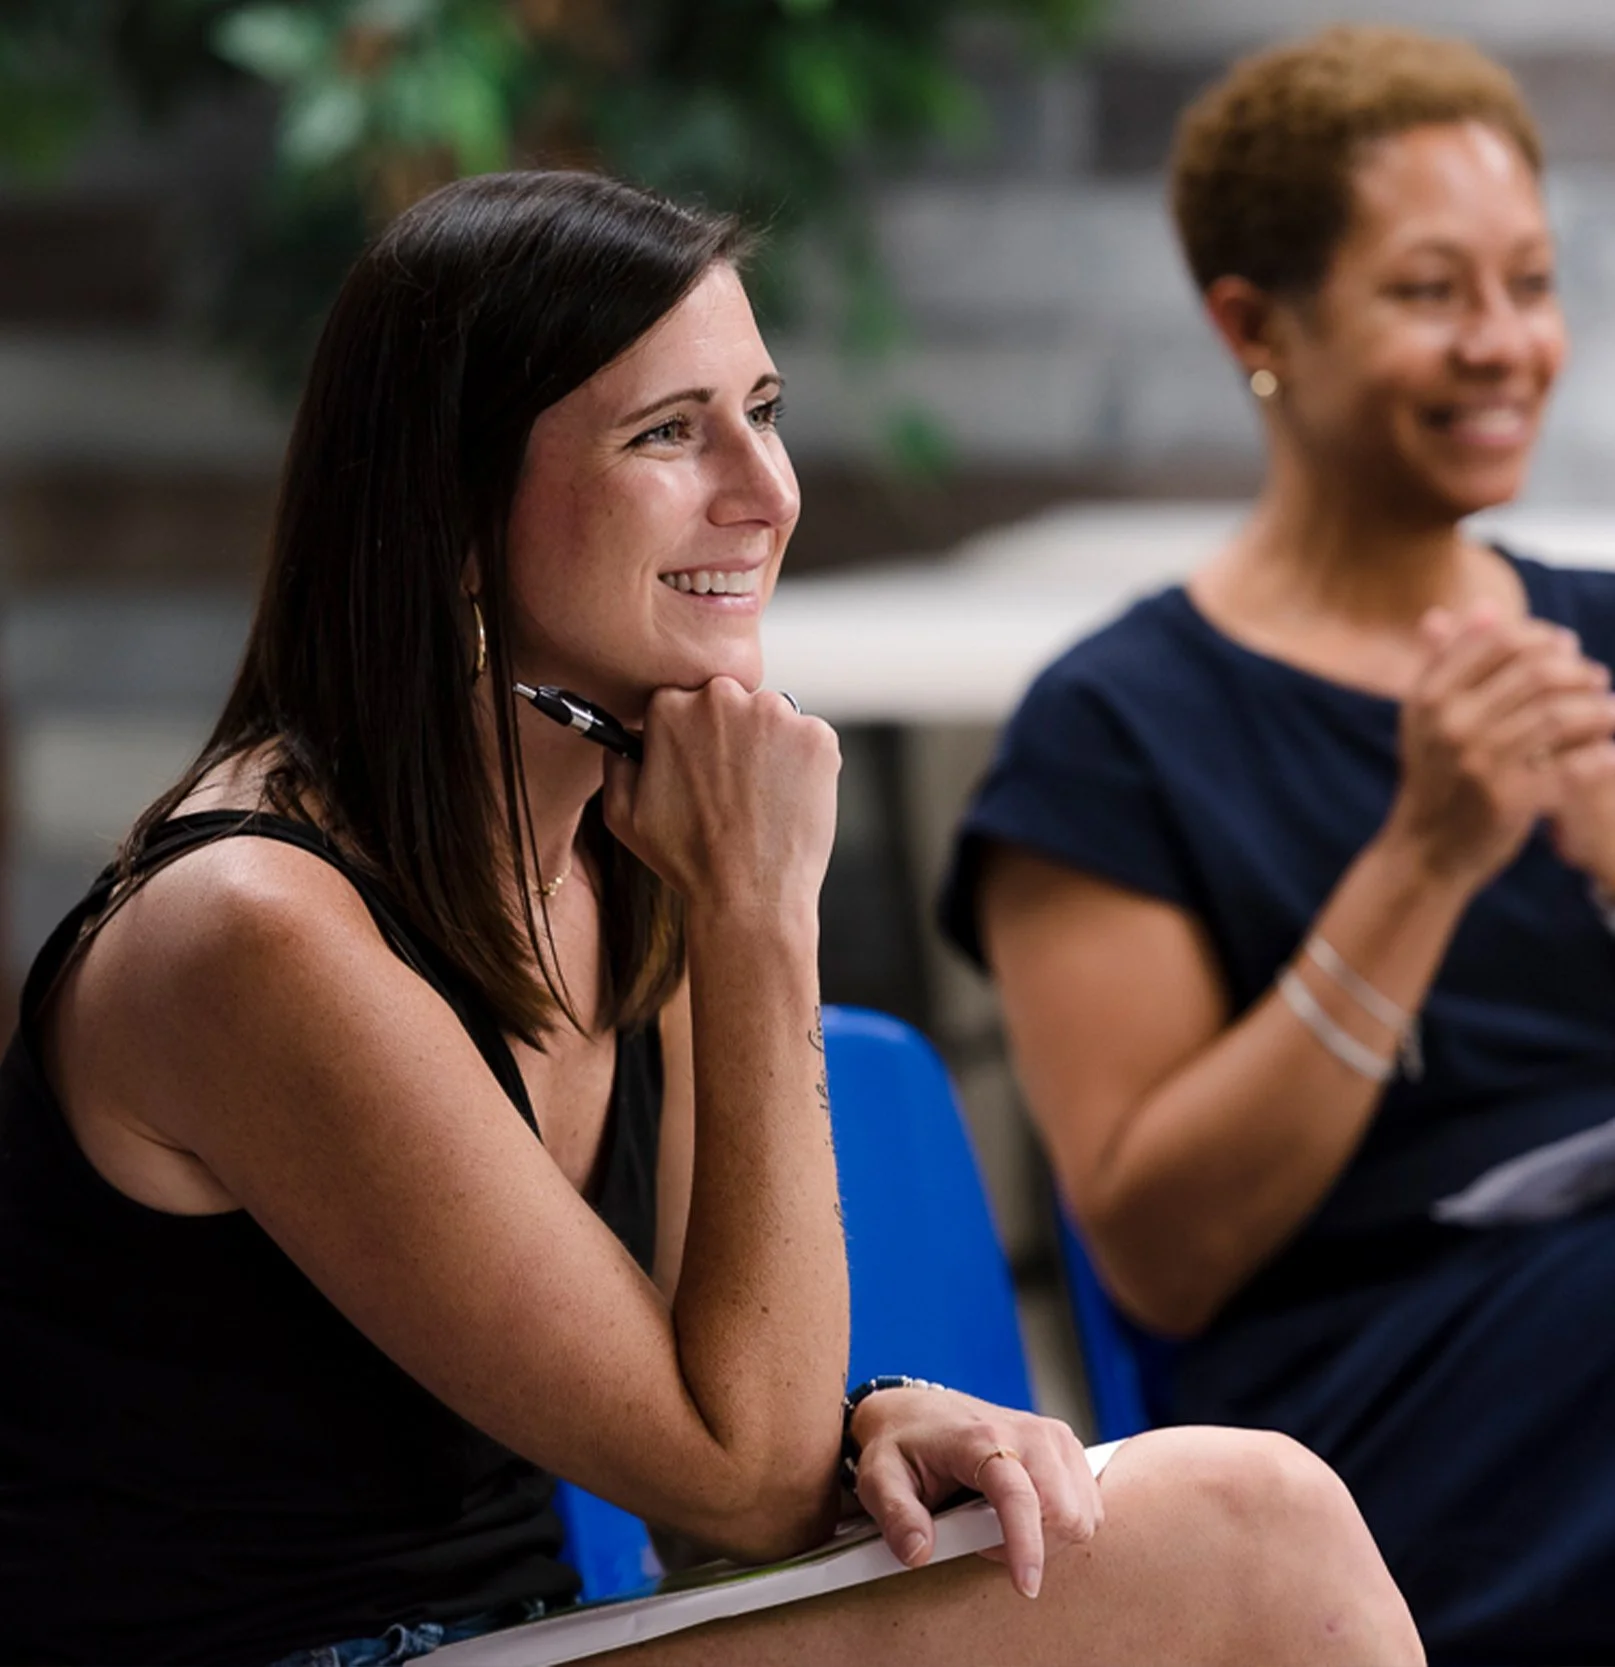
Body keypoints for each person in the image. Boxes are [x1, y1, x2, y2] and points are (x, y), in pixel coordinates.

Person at [0, 169, 1420, 1667]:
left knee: (1188, 1522)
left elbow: (726, 1472)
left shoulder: (627, 847)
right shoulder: (254, 931)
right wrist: (761, 912)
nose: (766, 489)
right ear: (454, 509)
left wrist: (865, 1425)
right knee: (1245, 1522)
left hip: (519, 1634)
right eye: (669, 432)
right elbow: (730, 1482)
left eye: (763, 408)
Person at [943, 23, 1615, 1667]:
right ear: (1255, 323)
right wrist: (1422, 860)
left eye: (1527, 283)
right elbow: (1162, 1257)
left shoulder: (1598, 641)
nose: (1502, 342)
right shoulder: (1113, 729)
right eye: (1426, 291)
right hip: (1387, 1414)